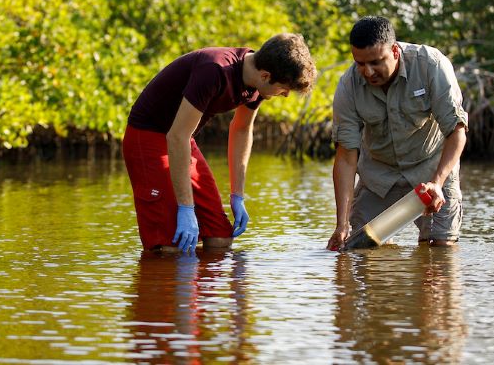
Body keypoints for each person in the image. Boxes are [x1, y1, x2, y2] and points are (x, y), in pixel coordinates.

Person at [123, 33, 317, 254]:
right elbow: (176, 137)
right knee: (171, 246)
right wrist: (186, 208)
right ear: (265, 76)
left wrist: (238, 195)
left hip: (183, 139)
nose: (285, 95)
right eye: (285, 89)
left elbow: (242, 129)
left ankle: (202, 287)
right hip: (148, 136)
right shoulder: (215, 70)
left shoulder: (258, 84)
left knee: (219, 238)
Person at [326, 16, 468, 250]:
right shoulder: (348, 86)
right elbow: (346, 156)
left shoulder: (431, 65)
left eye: (375, 62)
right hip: (378, 178)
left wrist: (437, 182)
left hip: (430, 170)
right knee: (360, 251)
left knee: (439, 252)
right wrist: (341, 225)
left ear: (394, 51)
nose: (368, 72)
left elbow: (456, 131)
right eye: (360, 63)